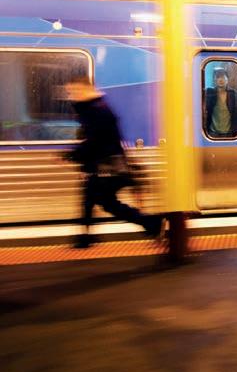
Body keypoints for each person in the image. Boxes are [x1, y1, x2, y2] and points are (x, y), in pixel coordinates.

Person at [63, 77, 165, 248]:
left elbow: (96, 141)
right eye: (70, 92)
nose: (71, 95)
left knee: (106, 202)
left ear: (86, 89)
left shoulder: (98, 110)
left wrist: (72, 155)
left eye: (74, 91)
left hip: (108, 167)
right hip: (102, 165)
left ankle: (151, 223)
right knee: (91, 199)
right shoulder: (92, 108)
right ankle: (85, 237)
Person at [204, 67, 237, 138]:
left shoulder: (234, 94)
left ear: (227, 79)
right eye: (218, 77)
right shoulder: (209, 93)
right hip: (212, 132)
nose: (221, 80)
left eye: (223, 77)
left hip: (230, 132)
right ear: (214, 80)